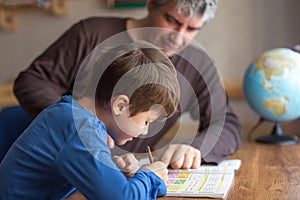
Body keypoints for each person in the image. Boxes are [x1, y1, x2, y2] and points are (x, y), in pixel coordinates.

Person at [13, 0, 243, 168]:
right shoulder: (91, 33)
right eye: (171, 20)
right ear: (151, 5)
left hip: (124, 171)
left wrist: (196, 149)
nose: (178, 36)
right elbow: (32, 81)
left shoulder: (197, 64)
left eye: (191, 29)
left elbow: (226, 123)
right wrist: (78, 126)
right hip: (68, 165)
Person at [0, 41, 180, 199]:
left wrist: (115, 174)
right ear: (120, 106)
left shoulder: (70, 114)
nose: (145, 131)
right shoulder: (79, 129)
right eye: (147, 121)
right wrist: (150, 177)